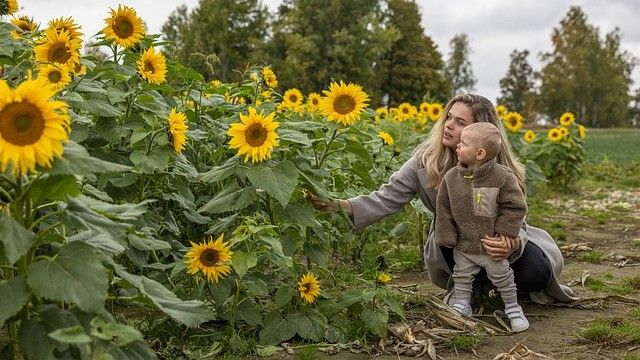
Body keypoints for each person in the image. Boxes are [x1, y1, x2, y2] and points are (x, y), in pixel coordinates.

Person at [306, 93, 578, 309]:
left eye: (460, 122)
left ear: (481, 133)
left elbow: (515, 214)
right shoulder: (426, 160)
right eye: (449, 117)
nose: (449, 124)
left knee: (536, 271)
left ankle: (504, 287)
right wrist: (341, 206)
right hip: (455, 244)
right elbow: (387, 197)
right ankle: (474, 289)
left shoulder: (501, 170)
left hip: (498, 245)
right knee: (450, 237)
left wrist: (511, 240)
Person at [435, 122, 528, 332]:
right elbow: (444, 209)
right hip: (464, 244)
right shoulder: (451, 179)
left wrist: (506, 233)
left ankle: (512, 307)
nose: (457, 146)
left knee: (503, 276)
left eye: (463, 144)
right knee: (461, 275)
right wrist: (447, 235)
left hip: (491, 245)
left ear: (480, 153)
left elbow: (515, 205)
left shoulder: (502, 176)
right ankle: (462, 303)